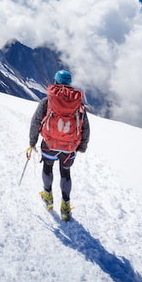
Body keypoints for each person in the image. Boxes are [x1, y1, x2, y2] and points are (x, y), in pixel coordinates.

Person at [27, 70, 90, 221]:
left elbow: (36, 122)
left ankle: (48, 198)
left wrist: (32, 142)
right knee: (65, 173)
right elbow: (85, 127)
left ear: (55, 81)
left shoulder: (47, 101)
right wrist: (82, 146)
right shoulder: (77, 103)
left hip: (49, 144)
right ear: (69, 83)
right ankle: (65, 207)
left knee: (47, 168)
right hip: (69, 148)